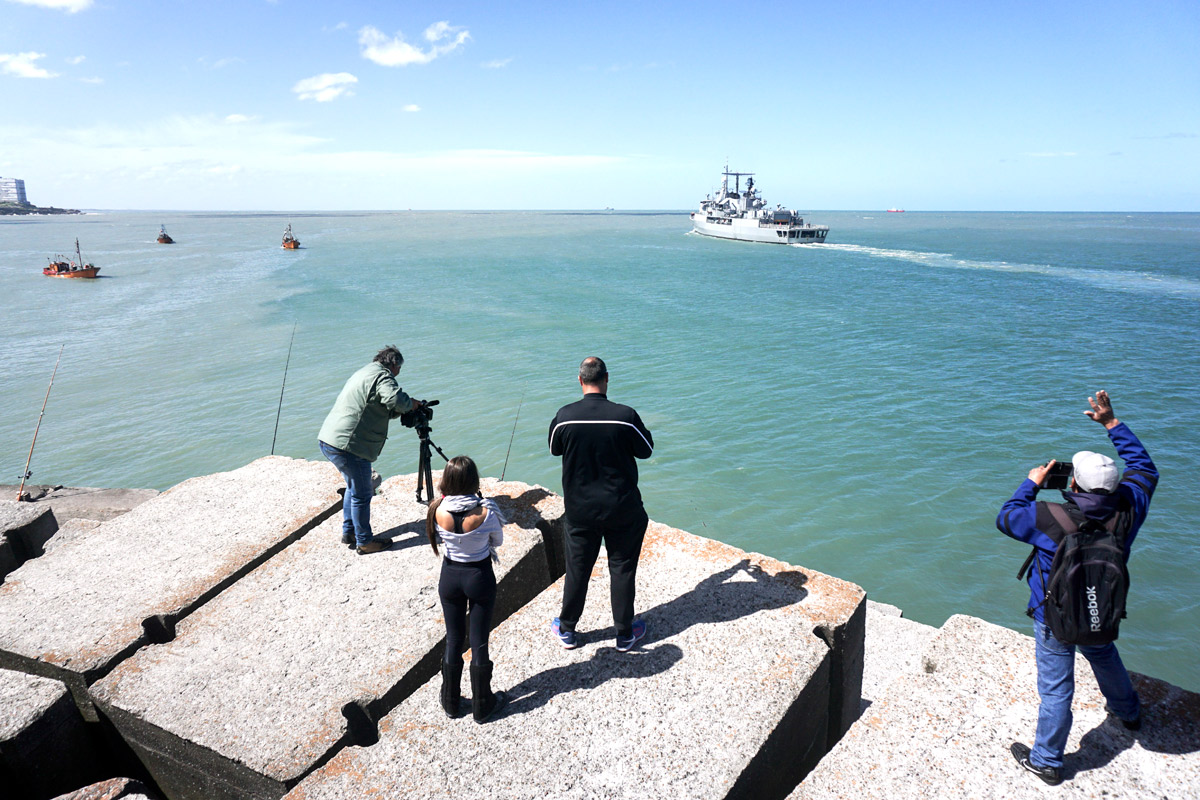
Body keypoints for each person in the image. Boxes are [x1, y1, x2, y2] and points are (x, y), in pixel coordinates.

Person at [996, 390, 1158, 786]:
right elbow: (1145, 467)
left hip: (1053, 614)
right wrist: (1112, 424)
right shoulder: (1130, 508)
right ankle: (1129, 712)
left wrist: (1030, 483)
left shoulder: (1048, 516)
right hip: (1102, 606)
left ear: (1072, 482)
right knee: (1103, 653)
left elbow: (1006, 518)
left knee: (1056, 688)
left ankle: (1047, 760)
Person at [547, 356, 654, 652]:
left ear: (580, 381)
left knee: (578, 569)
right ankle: (624, 634)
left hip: (580, 512)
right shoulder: (625, 416)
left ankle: (567, 629)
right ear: (607, 378)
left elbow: (554, 448)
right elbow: (645, 450)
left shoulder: (564, 416)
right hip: (623, 510)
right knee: (621, 569)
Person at [318, 345, 422, 554]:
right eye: (399, 367)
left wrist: (401, 409)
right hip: (349, 445)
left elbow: (374, 405)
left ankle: (350, 532)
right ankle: (365, 542)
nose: (399, 372)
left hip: (330, 440)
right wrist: (412, 404)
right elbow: (394, 399)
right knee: (363, 494)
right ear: (393, 364)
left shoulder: (365, 372)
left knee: (353, 488)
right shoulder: (384, 377)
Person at [426, 456, 507, 723]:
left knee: (453, 637)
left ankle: (450, 702)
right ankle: (483, 705)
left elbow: (439, 537)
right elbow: (498, 540)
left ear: (446, 481)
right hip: (479, 576)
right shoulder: (486, 512)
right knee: (479, 640)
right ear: (474, 481)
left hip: (450, 577)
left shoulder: (436, 509)